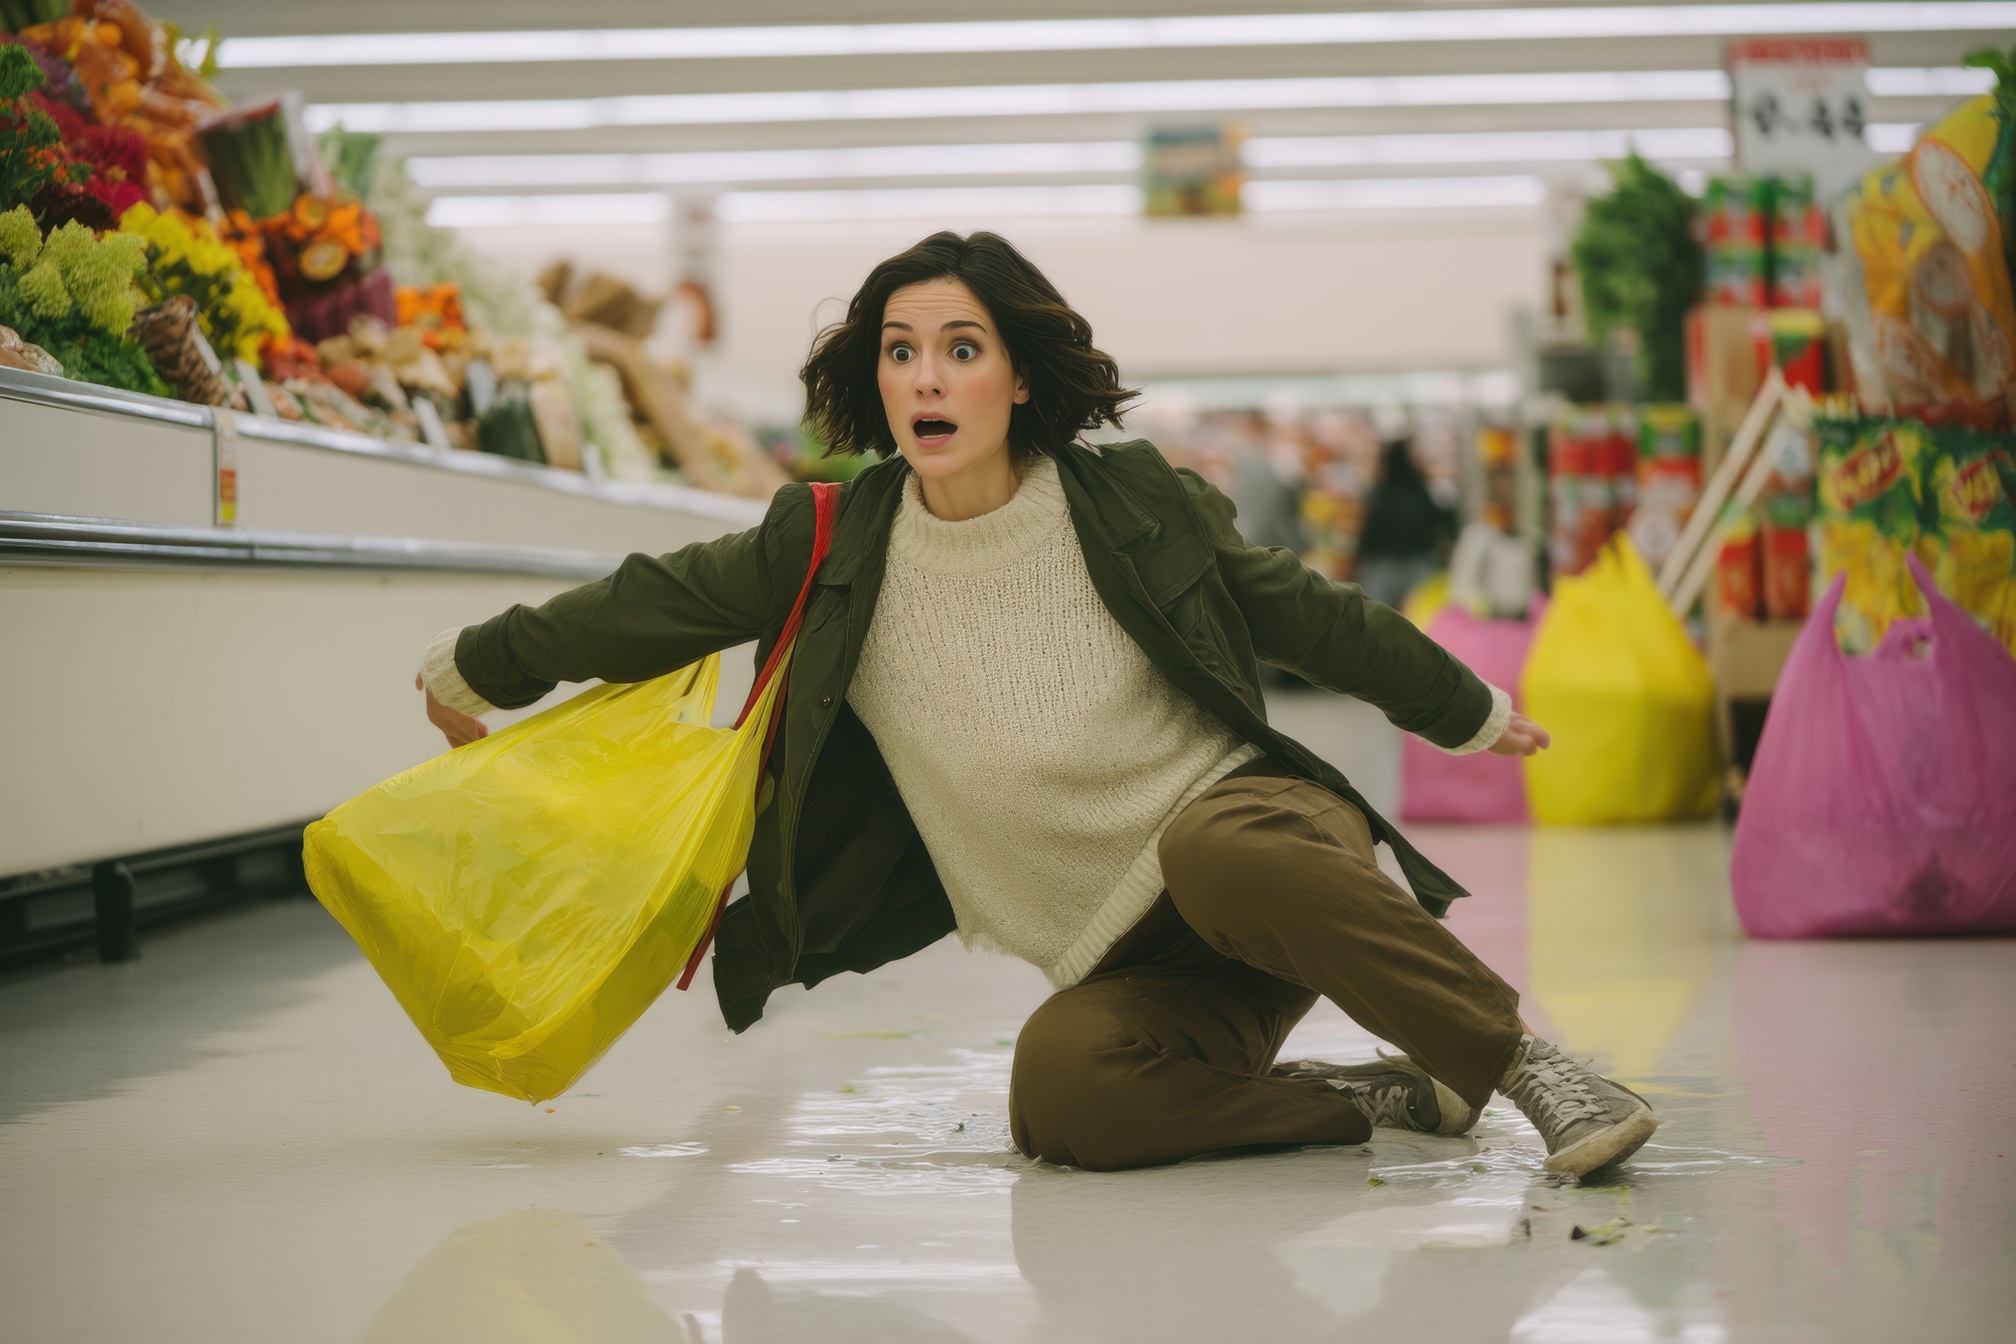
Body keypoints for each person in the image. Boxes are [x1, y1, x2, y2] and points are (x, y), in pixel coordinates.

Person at [415, 232, 1658, 1177]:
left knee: (1214, 841)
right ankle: (1382, 1098)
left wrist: (1467, 708)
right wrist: (482, 664)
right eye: (900, 350)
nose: (927, 377)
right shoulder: (833, 542)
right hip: (1141, 959)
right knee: (1061, 1097)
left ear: (1017, 377)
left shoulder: (1121, 501)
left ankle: (1524, 1065)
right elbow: (648, 605)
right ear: (875, 379)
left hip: (1263, 849)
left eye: (961, 348)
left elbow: (1298, 608)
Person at [1354, 437, 1455, 609]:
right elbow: (1441, 521)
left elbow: (1370, 528)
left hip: (1388, 561)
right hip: (1412, 560)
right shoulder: (1420, 490)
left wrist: (1361, 554)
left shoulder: (1381, 492)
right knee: (1419, 612)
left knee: (1377, 612)